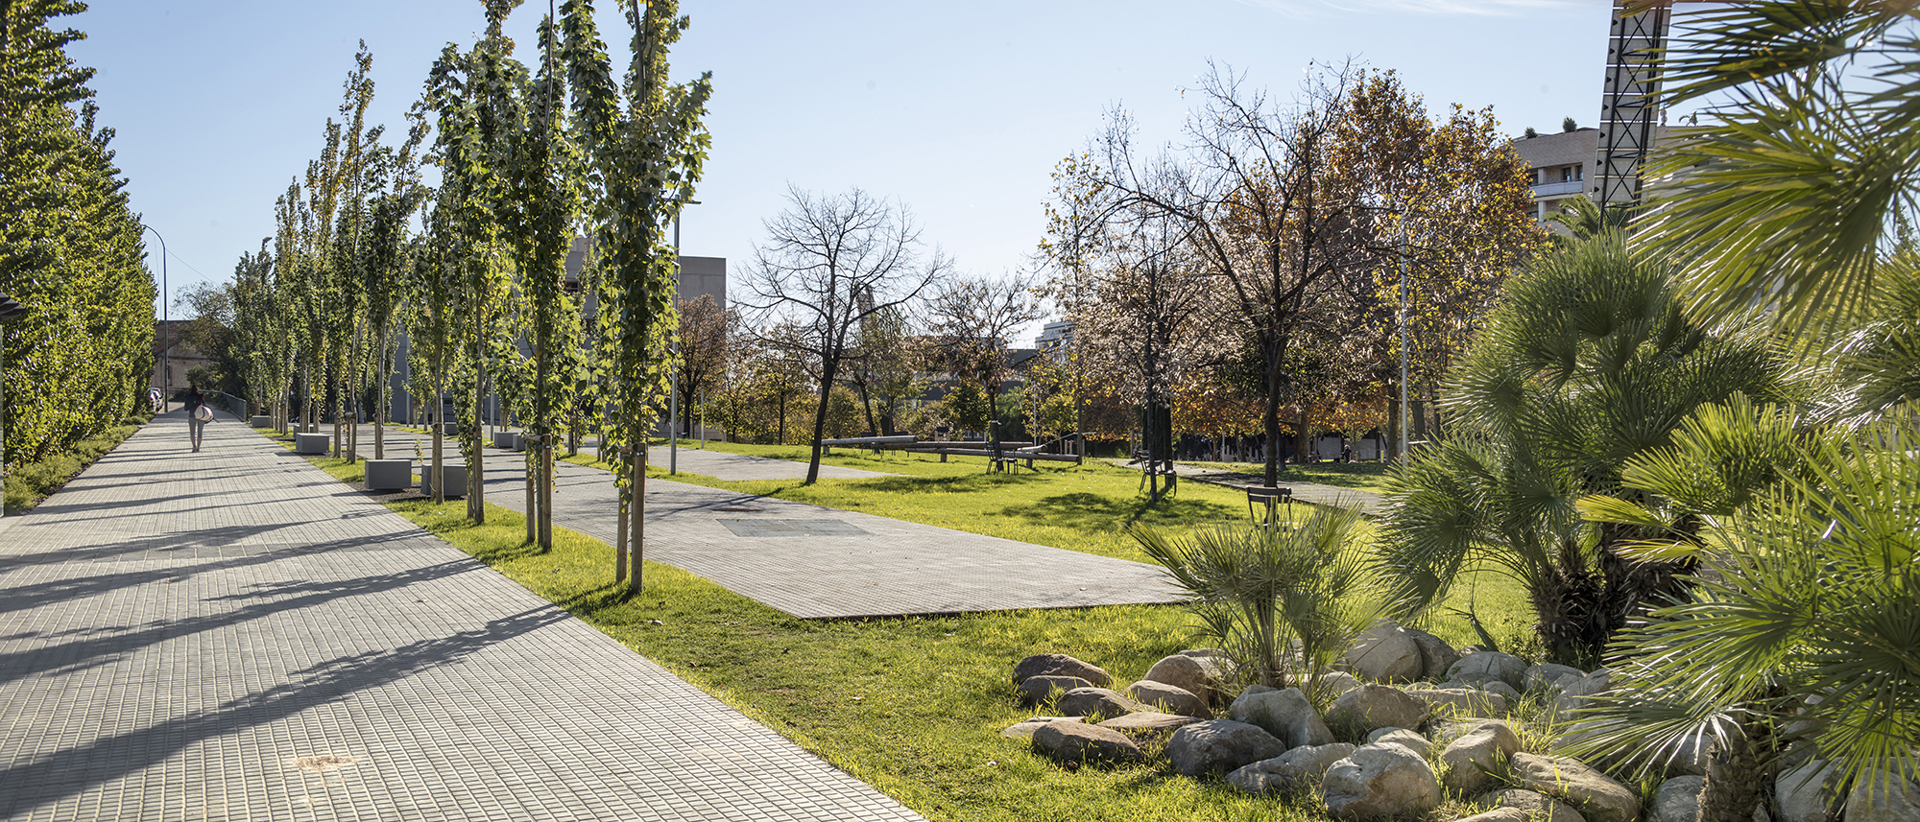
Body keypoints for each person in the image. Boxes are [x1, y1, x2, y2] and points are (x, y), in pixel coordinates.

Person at [186, 386, 212, 452]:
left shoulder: (188, 398)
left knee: (192, 432)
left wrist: (191, 407)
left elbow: (185, 408)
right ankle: (198, 447)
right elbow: (205, 405)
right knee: (200, 433)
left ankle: (194, 446)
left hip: (192, 416)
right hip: (201, 416)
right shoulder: (200, 397)